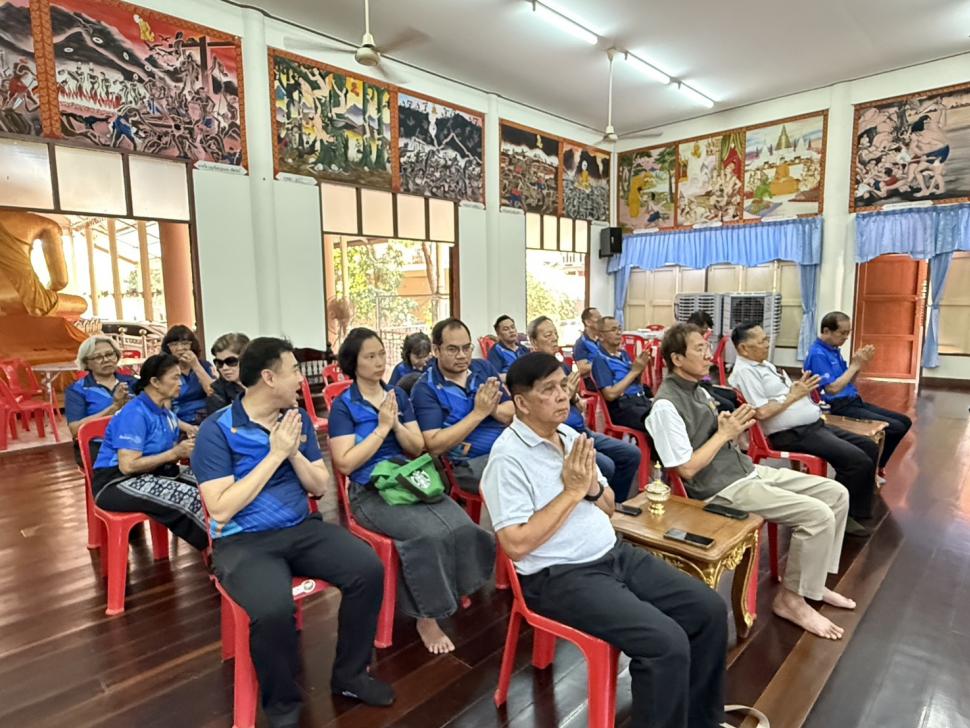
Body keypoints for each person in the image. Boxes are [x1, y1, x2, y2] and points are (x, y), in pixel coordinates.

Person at [481, 353, 731, 728]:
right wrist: (571, 492)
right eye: (548, 390)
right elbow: (515, 545)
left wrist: (592, 488)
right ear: (522, 402)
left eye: (563, 384)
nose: (562, 395)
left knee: (708, 610)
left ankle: (702, 721)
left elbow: (609, 505)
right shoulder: (507, 459)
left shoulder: (570, 437)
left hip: (613, 554)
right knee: (664, 644)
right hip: (559, 576)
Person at [192, 338, 392, 727]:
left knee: (367, 568)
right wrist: (275, 454)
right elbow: (221, 508)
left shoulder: (294, 418)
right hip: (243, 541)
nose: (301, 379)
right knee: (273, 609)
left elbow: (318, 486)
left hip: (301, 529)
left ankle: (350, 676)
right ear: (269, 377)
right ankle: (283, 708)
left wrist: (294, 449)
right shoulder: (216, 429)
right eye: (295, 370)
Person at [647, 324, 855, 640]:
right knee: (817, 515)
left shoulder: (698, 389)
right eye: (699, 349)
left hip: (744, 471)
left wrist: (727, 427)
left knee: (836, 493)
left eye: (707, 347)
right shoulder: (665, 405)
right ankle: (791, 600)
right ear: (676, 358)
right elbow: (686, 470)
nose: (708, 355)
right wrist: (724, 434)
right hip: (719, 489)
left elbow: (716, 436)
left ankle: (811, 584)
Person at [329, 328, 495, 655]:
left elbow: (417, 446)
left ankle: (453, 587)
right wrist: (381, 430)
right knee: (427, 536)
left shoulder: (397, 395)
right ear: (353, 363)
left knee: (463, 526)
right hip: (370, 490)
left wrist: (396, 425)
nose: (379, 362)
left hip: (408, 478)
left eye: (381, 354)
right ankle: (426, 617)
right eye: (370, 356)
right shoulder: (345, 406)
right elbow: (346, 463)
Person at [729, 323, 878, 537]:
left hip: (812, 426)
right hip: (790, 434)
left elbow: (783, 395)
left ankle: (856, 511)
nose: (768, 344)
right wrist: (794, 396)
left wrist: (800, 389)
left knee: (868, 447)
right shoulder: (745, 372)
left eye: (766, 338)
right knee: (856, 460)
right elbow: (761, 412)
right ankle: (840, 519)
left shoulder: (764, 365)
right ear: (744, 348)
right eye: (762, 341)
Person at [90, 353, 207, 550]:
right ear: (155, 382)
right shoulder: (134, 413)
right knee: (191, 497)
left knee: (209, 485)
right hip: (115, 482)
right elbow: (128, 466)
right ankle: (219, 552)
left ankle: (232, 543)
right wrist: (175, 453)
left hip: (153, 472)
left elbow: (176, 432)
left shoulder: (163, 411)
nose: (180, 383)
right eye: (175, 378)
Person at [529, 315, 641, 500]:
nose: (554, 338)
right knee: (606, 466)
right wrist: (567, 396)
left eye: (555, 333)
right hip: (560, 436)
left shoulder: (561, 367)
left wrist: (574, 397)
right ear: (534, 342)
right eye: (548, 335)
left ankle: (616, 504)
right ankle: (594, 503)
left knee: (631, 454)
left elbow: (574, 399)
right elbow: (541, 414)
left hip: (581, 431)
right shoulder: (531, 373)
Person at [411, 318, 514, 494]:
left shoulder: (483, 368)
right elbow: (435, 445)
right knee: (523, 478)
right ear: (436, 350)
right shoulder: (425, 388)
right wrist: (478, 413)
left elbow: (511, 411)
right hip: (466, 465)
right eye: (453, 349)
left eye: (466, 348)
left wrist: (493, 409)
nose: (462, 355)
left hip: (507, 449)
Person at [803, 312, 912, 475]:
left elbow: (848, 382)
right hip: (837, 407)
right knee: (895, 427)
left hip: (852, 401)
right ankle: (873, 469)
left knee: (905, 421)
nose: (846, 337)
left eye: (848, 333)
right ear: (826, 331)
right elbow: (832, 389)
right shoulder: (818, 354)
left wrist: (859, 365)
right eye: (842, 333)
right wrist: (854, 365)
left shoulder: (833, 350)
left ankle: (877, 466)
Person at [66, 335, 136, 464]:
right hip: (98, 446)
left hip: (134, 441)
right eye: (98, 357)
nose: (106, 360)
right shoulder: (78, 389)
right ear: (86, 363)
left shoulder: (132, 383)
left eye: (109, 354)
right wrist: (114, 407)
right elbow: (75, 430)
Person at [591, 316, 653, 430]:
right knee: (657, 422)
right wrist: (634, 372)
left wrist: (640, 368)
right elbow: (609, 395)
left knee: (670, 415)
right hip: (623, 407)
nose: (618, 333)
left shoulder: (623, 354)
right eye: (613, 330)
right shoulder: (600, 359)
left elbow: (636, 383)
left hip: (640, 400)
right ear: (601, 336)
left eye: (619, 329)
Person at [161, 324, 215, 424]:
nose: (179, 348)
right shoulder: (165, 370)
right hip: (180, 420)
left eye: (185, 343)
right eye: (174, 344)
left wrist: (195, 365)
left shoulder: (204, 365)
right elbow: (164, 408)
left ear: (192, 345)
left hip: (208, 417)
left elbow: (212, 392)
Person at [685, 311, 737, 412]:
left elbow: (706, 368)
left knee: (732, 395)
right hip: (695, 386)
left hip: (705, 383)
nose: (707, 331)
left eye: (708, 328)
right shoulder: (687, 345)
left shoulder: (704, 342)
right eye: (704, 328)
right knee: (728, 405)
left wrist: (706, 380)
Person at [206, 332, 249, 415]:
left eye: (231, 361)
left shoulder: (263, 380)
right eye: (219, 363)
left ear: (247, 359)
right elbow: (219, 420)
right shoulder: (216, 390)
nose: (224, 368)